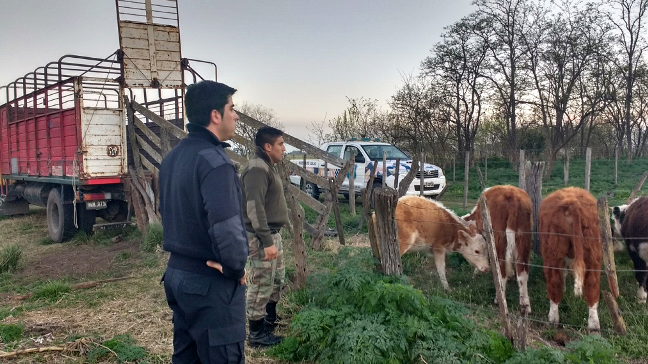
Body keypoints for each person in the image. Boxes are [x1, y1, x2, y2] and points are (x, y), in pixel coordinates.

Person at [159, 80, 248, 363]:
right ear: (215, 115)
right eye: (232, 108)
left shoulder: (172, 158)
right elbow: (227, 227)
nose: (236, 115)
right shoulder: (216, 162)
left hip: (177, 275)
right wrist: (235, 268)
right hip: (210, 285)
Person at [240, 126, 290, 348]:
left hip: (272, 234)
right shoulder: (257, 168)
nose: (284, 149)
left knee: (276, 280)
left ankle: (269, 321)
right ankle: (257, 334)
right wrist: (267, 242)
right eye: (280, 144)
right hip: (262, 237)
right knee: (261, 283)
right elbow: (254, 207)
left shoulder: (268, 166)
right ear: (268, 146)